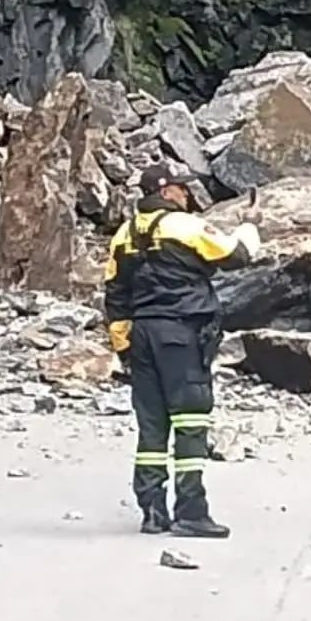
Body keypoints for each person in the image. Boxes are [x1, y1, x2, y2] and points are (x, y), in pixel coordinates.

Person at [102, 163, 260, 538]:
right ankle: (190, 510)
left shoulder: (124, 235)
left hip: (141, 336)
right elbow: (235, 256)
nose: (188, 195)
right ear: (167, 191)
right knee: (191, 422)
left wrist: (123, 345)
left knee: (152, 426)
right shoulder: (184, 227)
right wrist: (252, 224)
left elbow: (115, 294)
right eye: (182, 189)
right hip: (181, 334)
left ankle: (152, 511)